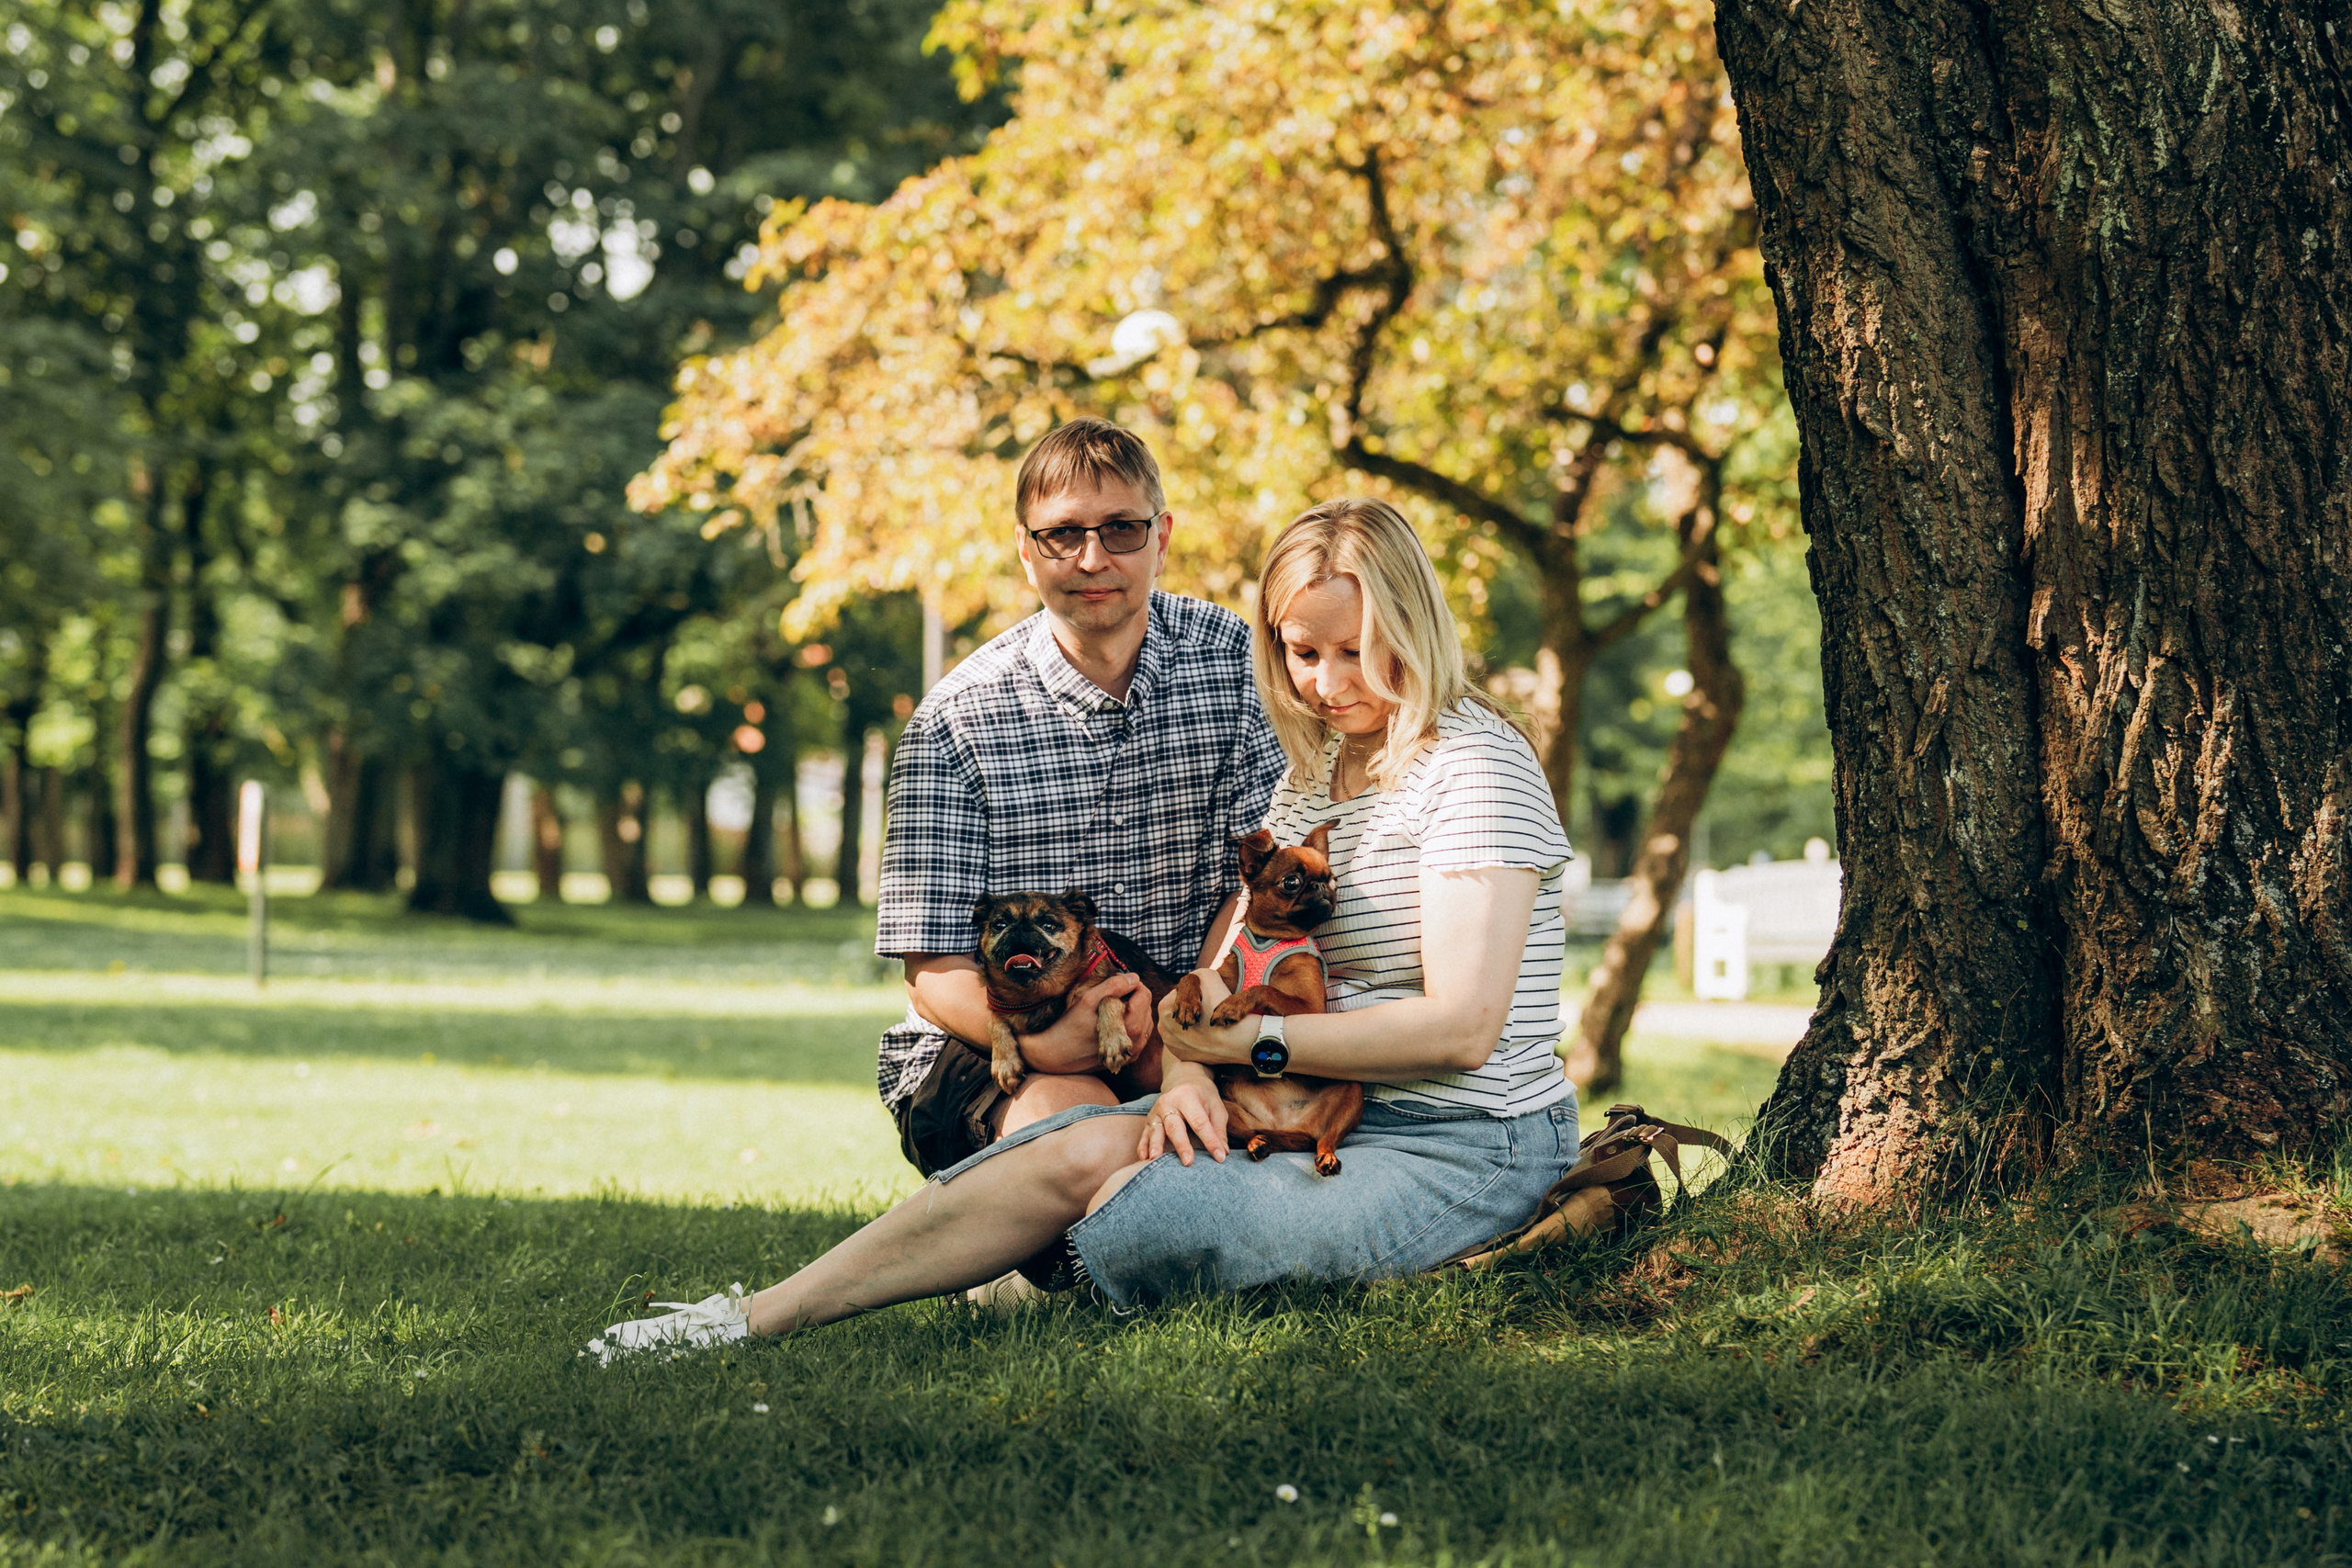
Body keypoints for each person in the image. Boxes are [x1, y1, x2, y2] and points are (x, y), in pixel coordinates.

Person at [586, 497, 1578, 1359]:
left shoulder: (1475, 770)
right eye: (1300, 651)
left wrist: (1239, 1043)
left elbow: (1461, 1030)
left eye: (1356, 650)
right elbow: (1233, 952)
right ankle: (744, 1319)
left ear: (1415, 624)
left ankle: (1031, 1271)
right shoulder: (1322, 765)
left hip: (1460, 1140)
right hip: (1313, 1106)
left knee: (1138, 1211)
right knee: (1072, 1152)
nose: (1324, 682)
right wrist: (1190, 1071)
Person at [874, 418, 1284, 1180]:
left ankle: (1028, 1256)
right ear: (1026, 551)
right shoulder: (955, 722)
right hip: (996, 1040)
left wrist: (1184, 1027)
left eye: (1122, 529)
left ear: (1162, 536)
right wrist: (1036, 1042)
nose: (1094, 557)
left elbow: (1254, 884)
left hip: (1190, 1004)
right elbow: (932, 969)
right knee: (1082, 1128)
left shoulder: (1237, 666)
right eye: (1063, 534)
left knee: (1257, 1129)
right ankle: (1013, 1254)